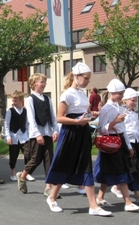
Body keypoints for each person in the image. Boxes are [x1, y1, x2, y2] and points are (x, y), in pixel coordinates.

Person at [45, 62, 111, 216]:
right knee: (65, 164)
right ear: (77, 76)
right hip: (70, 134)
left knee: (85, 165)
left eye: (88, 78)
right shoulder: (67, 94)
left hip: (83, 133)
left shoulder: (83, 93)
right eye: (86, 78)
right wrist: (76, 121)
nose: (88, 81)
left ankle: (93, 206)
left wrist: (92, 114)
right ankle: (52, 197)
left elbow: (85, 113)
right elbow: (59, 118)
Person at [93, 79, 139, 212]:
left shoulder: (119, 107)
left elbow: (123, 128)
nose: (120, 96)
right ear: (111, 93)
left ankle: (100, 197)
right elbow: (102, 129)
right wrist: (115, 121)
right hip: (111, 142)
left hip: (120, 141)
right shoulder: (106, 109)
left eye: (122, 93)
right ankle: (128, 201)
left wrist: (129, 146)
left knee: (110, 171)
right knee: (121, 171)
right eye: (118, 93)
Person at [16, 73, 59, 196]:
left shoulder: (47, 99)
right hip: (37, 134)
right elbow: (31, 118)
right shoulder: (30, 99)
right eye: (41, 82)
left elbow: (52, 116)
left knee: (49, 159)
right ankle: (23, 176)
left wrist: (55, 130)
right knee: (35, 159)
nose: (44, 84)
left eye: (44, 82)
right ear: (34, 84)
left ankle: (48, 187)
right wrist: (37, 134)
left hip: (47, 133)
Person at [110, 88, 139, 204]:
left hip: (136, 142)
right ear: (125, 100)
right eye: (132, 100)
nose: (134, 102)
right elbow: (123, 130)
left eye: (135, 100)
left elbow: (137, 131)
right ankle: (137, 194)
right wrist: (129, 147)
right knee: (134, 169)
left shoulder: (134, 114)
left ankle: (117, 187)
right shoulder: (122, 113)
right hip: (128, 144)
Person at [4, 90, 34, 181]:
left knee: (28, 154)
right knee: (13, 155)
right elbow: (6, 124)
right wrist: (8, 137)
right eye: (13, 100)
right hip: (14, 136)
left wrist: (28, 135)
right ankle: (13, 172)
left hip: (24, 136)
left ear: (21, 100)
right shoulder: (10, 111)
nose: (13, 102)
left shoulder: (25, 111)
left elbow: (26, 124)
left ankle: (26, 172)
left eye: (15, 101)